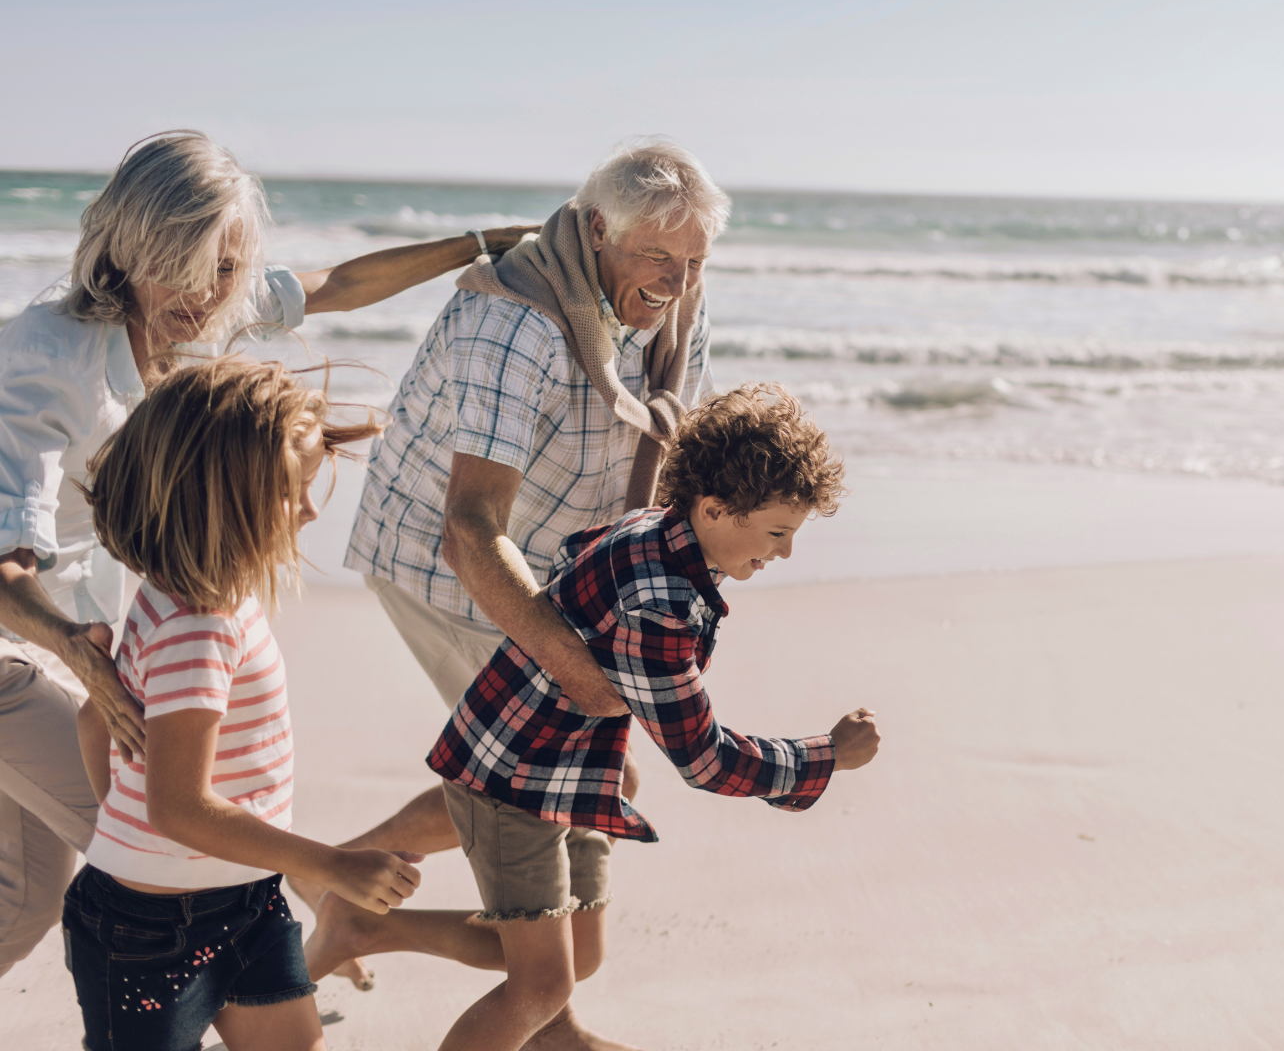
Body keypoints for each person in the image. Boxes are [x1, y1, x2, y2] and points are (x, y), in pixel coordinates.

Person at [0, 129, 535, 981]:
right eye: (186, 263)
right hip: (24, 652)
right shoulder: (41, 357)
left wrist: (480, 247)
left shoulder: (205, 309)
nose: (207, 294)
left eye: (225, 269)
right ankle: (273, 967)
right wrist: (72, 651)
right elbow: (4, 567)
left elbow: (337, 284)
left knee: (22, 898)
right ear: (131, 243)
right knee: (167, 858)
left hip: (88, 650)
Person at [328, 138, 725, 1040]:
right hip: (443, 562)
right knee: (566, 771)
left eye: (695, 259)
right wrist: (576, 668)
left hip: (556, 555)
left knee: (575, 777)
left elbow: (661, 446)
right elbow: (470, 529)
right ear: (596, 230)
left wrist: (638, 601)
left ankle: (531, 1003)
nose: (676, 280)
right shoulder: (517, 319)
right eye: (657, 256)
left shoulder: (680, 297)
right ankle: (352, 879)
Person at [419, 383, 879, 1050]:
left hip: (565, 767)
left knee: (578, 955)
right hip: (513, 780)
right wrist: (828, 754)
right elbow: (706, 761)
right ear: (717, 509)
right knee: (542, 986)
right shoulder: (660, 608)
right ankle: (373, 927)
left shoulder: (656, 529)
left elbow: (573, 555)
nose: (783, 554)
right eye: (778, 533)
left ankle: (371, 928)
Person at [64, 357, 420, 1051]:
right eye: (295, 491)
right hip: (146, 937)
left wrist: (122, 836)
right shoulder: (196, 627)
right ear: (221, 497)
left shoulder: (190, 595)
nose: (314, 509)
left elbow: (92, 723)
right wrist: (330, 865)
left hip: (245, 906)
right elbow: (176, 807)